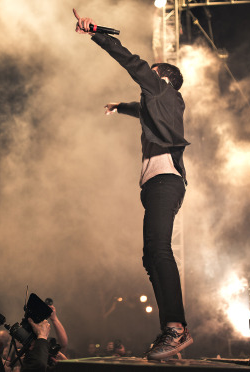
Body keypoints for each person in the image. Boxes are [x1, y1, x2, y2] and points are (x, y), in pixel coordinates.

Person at [73, 8, 193, 360]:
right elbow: (140, 109)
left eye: (152, 77)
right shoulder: (158, 104)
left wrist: (97, 33)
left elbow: (133, 63)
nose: (146, 82)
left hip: (165, 181)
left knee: (159, 251)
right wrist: (118, 107)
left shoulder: (162, 89)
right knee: (150, 255)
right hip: (157, 184)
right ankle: (172, 328)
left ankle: (175, 327)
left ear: (163, 79)